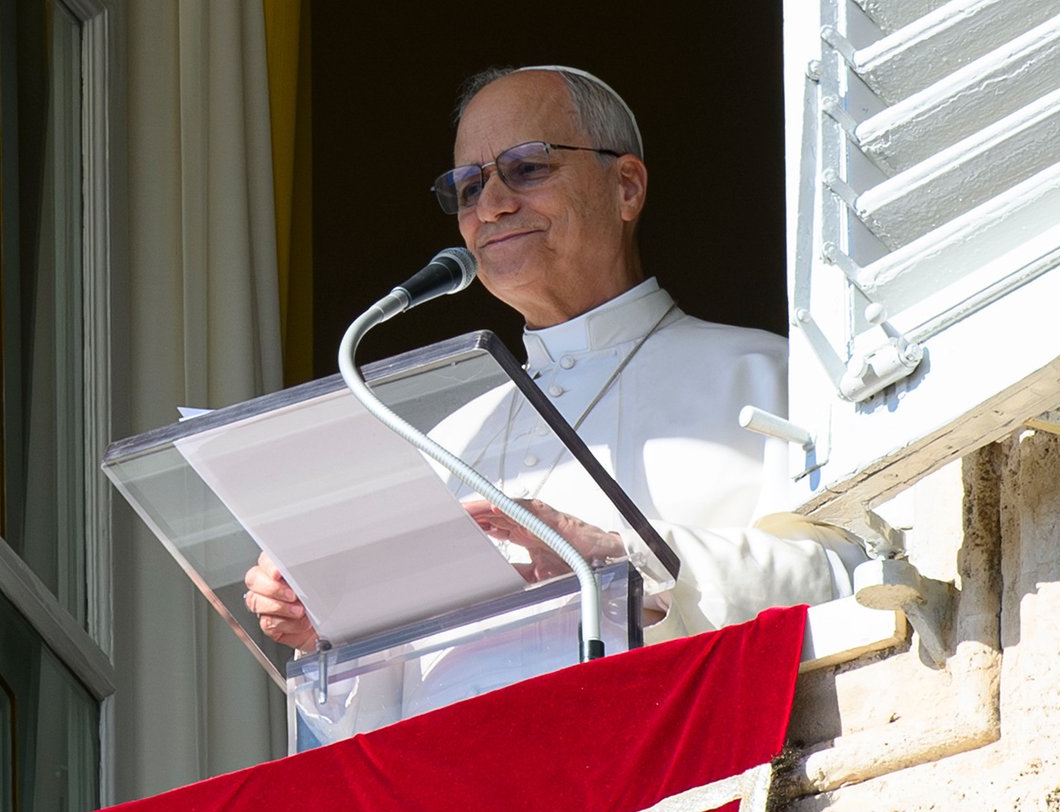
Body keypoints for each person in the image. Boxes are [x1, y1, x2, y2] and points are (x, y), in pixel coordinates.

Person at [244, 65, 865, 655]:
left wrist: (629, 561)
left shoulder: (771, 374)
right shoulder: (446, 444)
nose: (490, 206)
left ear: (626, 187)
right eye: (467, 187)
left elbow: (854, 579)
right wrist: (330, 624)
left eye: (527, 168)